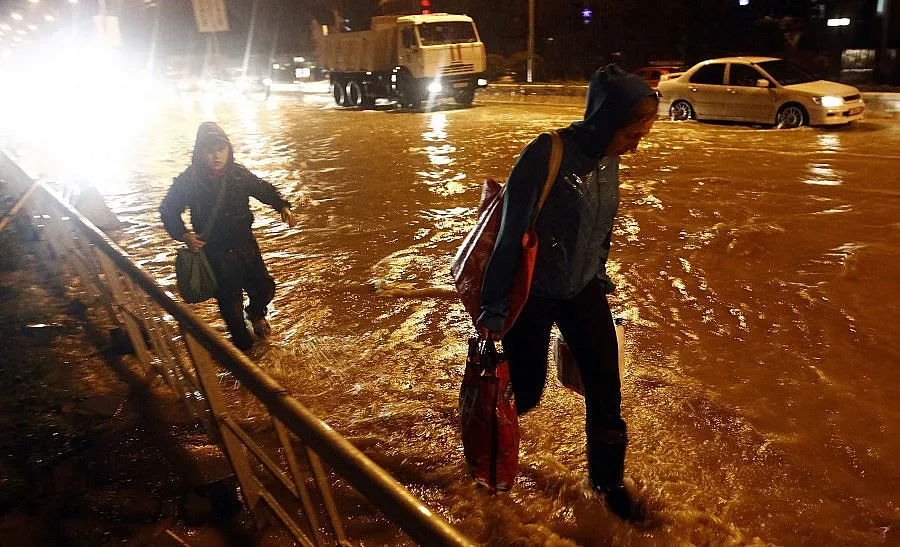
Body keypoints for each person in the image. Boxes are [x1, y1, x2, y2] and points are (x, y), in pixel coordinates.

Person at [477, 65, 658, 520]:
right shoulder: (546, 153)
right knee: (528, 392)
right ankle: (486, 456)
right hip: (530, 295)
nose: (638, 144)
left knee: (605, 388)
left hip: (581, 291)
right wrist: (495, 307)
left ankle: (607, 484)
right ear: (604, 119)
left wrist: (598, 272)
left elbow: (602, 224)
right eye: (632, 134)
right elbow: (510, 233)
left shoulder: (608, 158)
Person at [160, 122, 297, 350]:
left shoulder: (238, 175)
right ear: (200, 153)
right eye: (210, 150)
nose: (216, 156)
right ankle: (249, 367)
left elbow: (262, 189)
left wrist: (282, 205)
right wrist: (184, 235)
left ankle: (254, 312)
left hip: (246, 247)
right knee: (232, 311)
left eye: (221, 150)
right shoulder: (188, 181)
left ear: (228, 150)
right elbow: (168, 209)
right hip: (215, 254)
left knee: (265, 289)